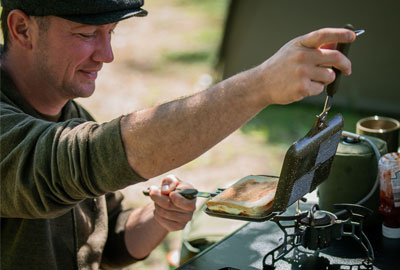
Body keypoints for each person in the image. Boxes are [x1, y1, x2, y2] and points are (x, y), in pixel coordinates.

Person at [0, 0, 357, 269]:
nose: (106, 55)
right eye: (86, 34)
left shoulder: (70, 114)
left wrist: (157, 219)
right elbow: (84, 160)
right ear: (22, 29)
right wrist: (257, 87)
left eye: (110, 33)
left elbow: (106, 243)